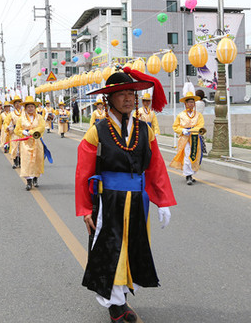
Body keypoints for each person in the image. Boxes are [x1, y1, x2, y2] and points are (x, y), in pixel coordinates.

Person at [75, 67, 176, 322]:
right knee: (110, 251)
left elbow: (156, 168)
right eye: (122, 93)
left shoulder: (145, 129)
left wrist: (162, 201)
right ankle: (116, 306)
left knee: (131, 249)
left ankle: (121, 297)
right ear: (110, 99)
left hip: (138, 200)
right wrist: (86, 208)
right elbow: (83, 172)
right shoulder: (97, 130)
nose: (129, 98)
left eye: (132, 92)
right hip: (108, 200)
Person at [170, 91, 205, 185]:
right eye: (189, 102)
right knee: (186, 155)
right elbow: (175, 127)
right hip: (184, 138)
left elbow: (200, 125)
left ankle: (191, 173)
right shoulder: (180, 115)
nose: (190, 104)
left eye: (192, 102)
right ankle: (188, 175)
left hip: (194, 138)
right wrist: (182, 130)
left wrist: (192, 130)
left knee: (194, 155)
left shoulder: (198, 115)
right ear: (185, 104)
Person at [14, 96, 46, 190]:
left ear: (35, 108)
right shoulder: (21, 119)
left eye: (32, 106)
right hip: (26, 143)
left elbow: (42, 127)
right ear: (25, 108)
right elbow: (17, 130)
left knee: (37, 160)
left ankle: (35, 178)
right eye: (28, 107)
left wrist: (32, 132)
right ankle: (28, 182)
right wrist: (22, 132)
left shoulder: (39, 117)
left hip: (37, 142)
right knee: (27, 161)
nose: (30, 108)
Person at [9, 93, 23, 169]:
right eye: (16, 103)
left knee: (22, 148)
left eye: (19, 103)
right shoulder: (11, 114)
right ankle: (15, 162)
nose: (17, 105)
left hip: (22, 133)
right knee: (15, 148)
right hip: (14, 133)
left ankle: (21, 162)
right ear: (14, 105)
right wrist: (10, 129)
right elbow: (9, 123)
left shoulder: (24, 113)